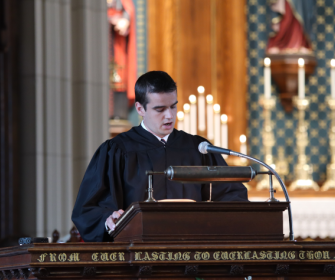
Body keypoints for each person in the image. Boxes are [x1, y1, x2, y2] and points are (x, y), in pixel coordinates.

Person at [72, 71, 248, 242]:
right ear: (140, 108)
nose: (169, 116)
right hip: (138, 256)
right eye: (160, 109)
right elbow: (89, 209)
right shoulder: (117, 150)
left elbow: (232, 195)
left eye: (173, 106)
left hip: (193, 251)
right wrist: (109, 218)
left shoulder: (197, 148)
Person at [107, 0, 137, 119]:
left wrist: (125, 19)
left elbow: (128, 9)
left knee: (118, 71)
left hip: (117, 41)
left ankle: (118, 113)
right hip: (100, 38)